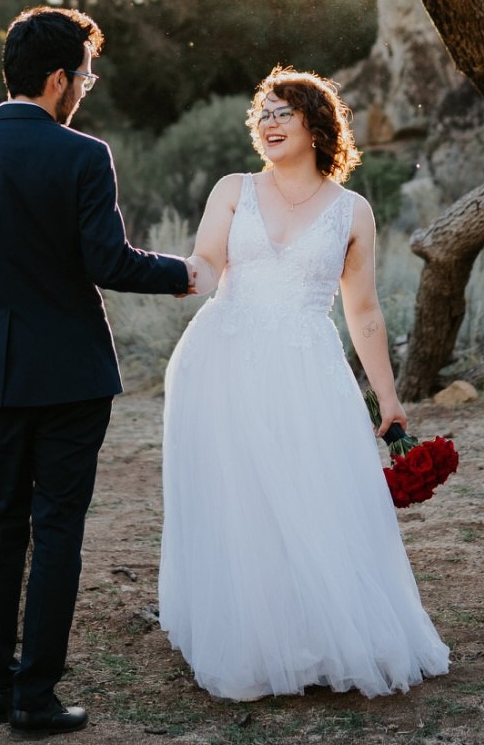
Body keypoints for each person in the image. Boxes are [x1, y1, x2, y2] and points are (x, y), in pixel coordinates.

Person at [0, 6, 206, 737]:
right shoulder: (83, 155)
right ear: (58, 79)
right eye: (84, 73)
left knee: (1, 526)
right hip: (72, 377)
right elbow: (107, 262)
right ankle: (36, 698)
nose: (87, 85)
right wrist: (185, 274)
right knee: (57, 533)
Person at [158, 66, 450, 701]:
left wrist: (390, 397)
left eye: (282, 112)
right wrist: (164, 274)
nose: (267, 122)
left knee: (312, 493)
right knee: (241, 499)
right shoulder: (233, 189)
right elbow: (207, 265)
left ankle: (320, 636)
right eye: (261, 112)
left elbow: (364, 310)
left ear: (317, 127)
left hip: (307, 364)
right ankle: (255, 642)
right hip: (223, 357)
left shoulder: (352, 211)